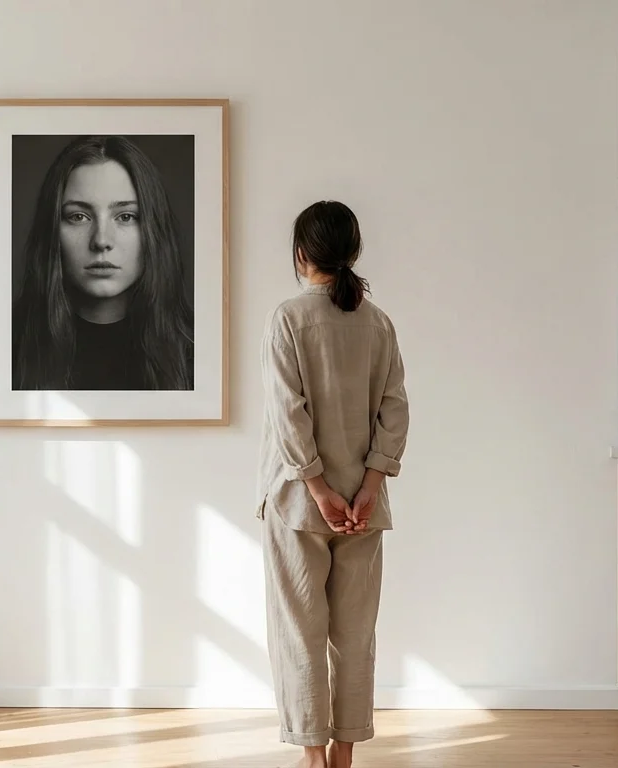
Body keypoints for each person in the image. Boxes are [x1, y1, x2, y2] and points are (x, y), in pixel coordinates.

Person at [258, 200, 409, 768]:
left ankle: (312, 756)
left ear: (301, 253)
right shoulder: (378, 323)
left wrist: (318, 490)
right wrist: (368, 485)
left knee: (299, 630)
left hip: (299, 503)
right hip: (363, 506)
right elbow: (394, 410)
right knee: (354, 633)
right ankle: (343, 753)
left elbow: (287, 414)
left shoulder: (288, 318)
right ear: (353, 252)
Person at [12, 135, 194, 391]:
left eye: (126, 216)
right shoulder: (4, 347)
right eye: (78, 216)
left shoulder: (198, 350)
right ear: (52, 230)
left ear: (154, 229)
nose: (101, 240)